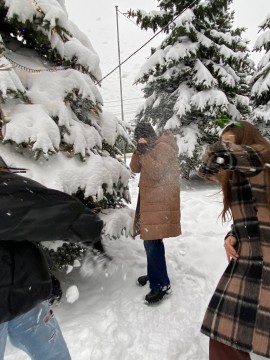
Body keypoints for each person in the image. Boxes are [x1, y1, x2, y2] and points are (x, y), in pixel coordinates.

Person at [0, 157, 103, 360]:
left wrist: (42, 275)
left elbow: (19, 233)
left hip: (26, 300)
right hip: (23, 300)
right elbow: (49, 210)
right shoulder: (9, 191)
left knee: (55, 355)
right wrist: (88, 225)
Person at [198, 120, 270, 360]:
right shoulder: (240, 173)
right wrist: (233, 235)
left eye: (231, 142)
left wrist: (213, 157)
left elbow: (217, 154)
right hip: (250, 261)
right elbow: (251, 214)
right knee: (223, 333)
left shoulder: (263, 157)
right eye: (223, 140)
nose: (226, 147)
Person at [130, 122, 181, 304]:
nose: (140, 141)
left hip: (160, 203)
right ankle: (155, 274)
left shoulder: (164, 147)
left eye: (142, 138)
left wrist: (144, 152)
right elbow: (134, 168)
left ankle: (161, 284)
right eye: (137, 139)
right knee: (150, 242)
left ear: (150, 136)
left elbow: (157, 172)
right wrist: (139, 149)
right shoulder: (148, 148)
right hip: (151, 203)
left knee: (152, 243)